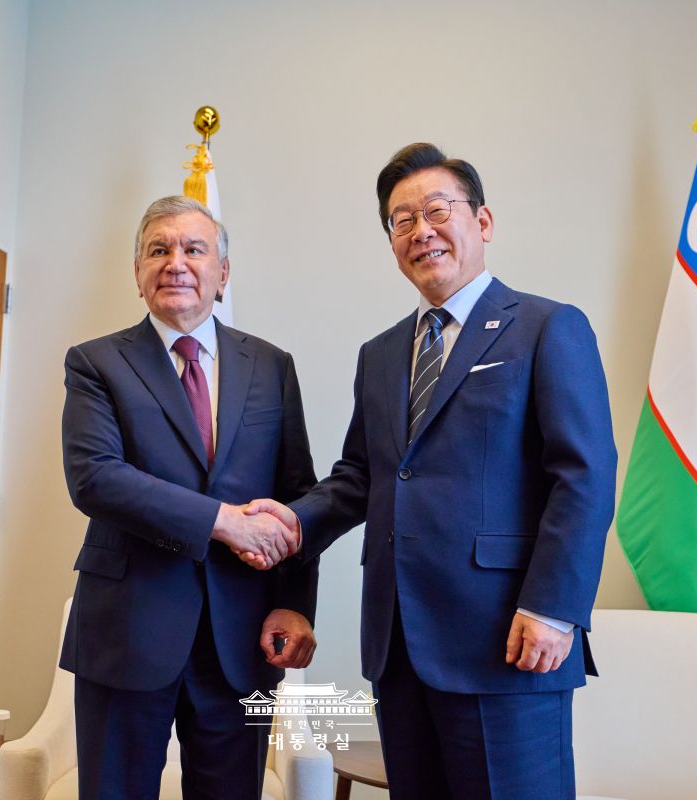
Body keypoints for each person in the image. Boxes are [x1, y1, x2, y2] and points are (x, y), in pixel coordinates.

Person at [244, 143, 616, 799]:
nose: (421, 230)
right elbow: (362, 476)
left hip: (508, 639)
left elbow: (584, 476)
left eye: (438, 210)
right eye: (402, 220)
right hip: (399, 646)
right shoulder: (382, 353)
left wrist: (553, 607)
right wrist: (293, 523)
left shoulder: (546, 327)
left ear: (483, 221)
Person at [59, 195, 319, 800]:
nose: (175, 262)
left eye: (193, 249)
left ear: (222, 273)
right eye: (159, 250)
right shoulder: (96, 362)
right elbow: (95, 477)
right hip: (127, 630)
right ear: (138, 273)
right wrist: (223, 521)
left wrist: (295, 604)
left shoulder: (272, 366)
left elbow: (296, 494)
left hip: (243, 638)